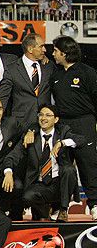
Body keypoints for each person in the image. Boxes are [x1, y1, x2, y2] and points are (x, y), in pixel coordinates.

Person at [3, 104, 82, 221]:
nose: (43, 118)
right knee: (27, 197)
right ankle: (45, 211)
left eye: (48, 115)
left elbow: (81, 140)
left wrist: (61, 143)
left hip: (59, 183)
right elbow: (12, 156)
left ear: (56, 119)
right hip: (39, 184)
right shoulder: (30, 136)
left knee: (69, 169)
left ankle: (63, 209)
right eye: (41, 115)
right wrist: (8, 172)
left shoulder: (63, 131)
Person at [49, 36, 97, 219]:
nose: (53, 54)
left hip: (84, 123)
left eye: (55, 51)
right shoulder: (56, 73)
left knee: (88, 166)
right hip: (62, 125)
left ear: (64, 52)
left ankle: (94, 204)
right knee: (62, 167)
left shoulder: (87, 72)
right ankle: (59, 207)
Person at [1, 33, 53, 131]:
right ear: (30, 49)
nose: (45, 50)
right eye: (41, 46)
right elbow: (3, 96)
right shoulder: (12, 69)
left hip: (46, 124)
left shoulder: (48, 66)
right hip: (21, 124)